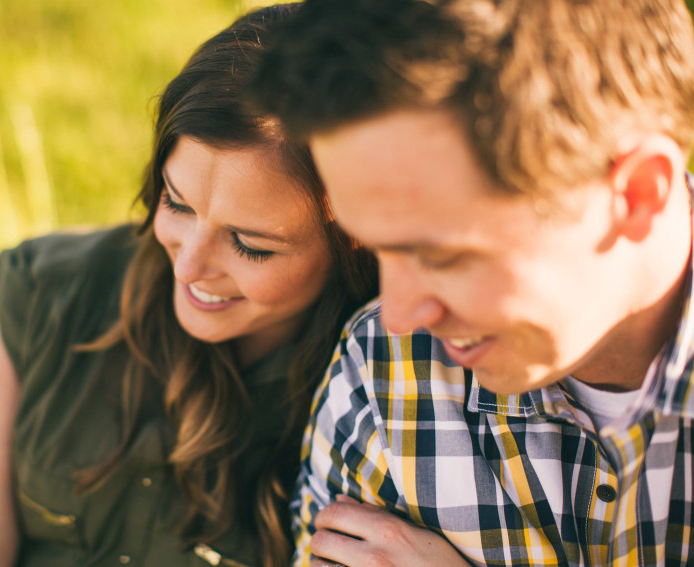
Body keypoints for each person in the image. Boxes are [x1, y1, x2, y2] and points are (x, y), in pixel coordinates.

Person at [0, 5, 378, 567]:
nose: (187, 268)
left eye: (250, 244)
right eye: (176, 204)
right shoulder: (44, 290)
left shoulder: (390, 392)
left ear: (357, 243)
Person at [247, 0, 694, 565]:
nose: (400, 315)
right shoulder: (384, 382)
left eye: (441, 255)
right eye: (378, 247)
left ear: (635, 197)